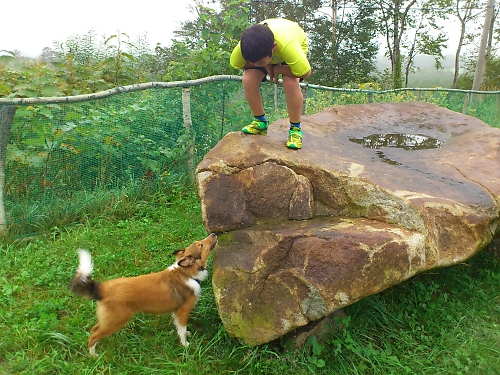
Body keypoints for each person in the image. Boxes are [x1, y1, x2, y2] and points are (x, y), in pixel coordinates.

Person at [230, 19, 312, 149]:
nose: (256, 65)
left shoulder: (288, 45)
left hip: (292, 46)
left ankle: (295, 130)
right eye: (253, 62)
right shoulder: (246, 47)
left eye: (260, 62)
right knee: (248, 79)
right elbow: (236, 63)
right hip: (266, 54)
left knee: (290, 83)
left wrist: (276, 69)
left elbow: (305, 72)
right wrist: (265, 65)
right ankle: (260, 122)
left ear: (274, 48)